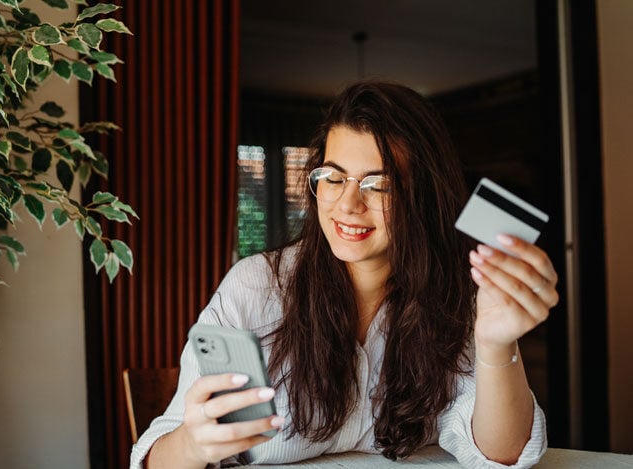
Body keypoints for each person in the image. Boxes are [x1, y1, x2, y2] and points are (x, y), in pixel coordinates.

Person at [130, 81, 558, 469]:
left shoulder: (455, 294)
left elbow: (502, 455)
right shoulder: (257, 286)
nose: (347, 204)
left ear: (423, 196)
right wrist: (192, 445)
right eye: (333, 177)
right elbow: (156, 456)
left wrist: (496, 342)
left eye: (379, 185)